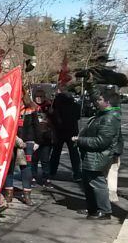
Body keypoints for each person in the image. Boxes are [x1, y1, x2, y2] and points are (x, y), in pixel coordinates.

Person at [73, 89, 122, 220]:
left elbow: (102, 142)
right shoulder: (102, 114)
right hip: (90, 155)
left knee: (96, 182)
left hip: (98, 155)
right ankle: (93, 208)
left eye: (100, 100)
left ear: (108, 102)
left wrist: (80, 140)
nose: (97, 102)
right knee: (88, 182)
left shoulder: (110, 118)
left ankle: (105, 211)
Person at [49, 88, 82, 181]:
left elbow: (52, 117)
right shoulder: (76, 106)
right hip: (72, 131)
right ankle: (77, 173)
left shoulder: (57, 105)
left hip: (59, 131)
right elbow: (78, 116)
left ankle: (52, 171)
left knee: (56, 152)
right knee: (74, 153)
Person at [30, 89, 54, 188]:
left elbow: (55, 121)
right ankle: (33, 177)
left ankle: (46, 178)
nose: (39, 98)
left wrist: (52, 113)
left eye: (41, 96)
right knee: (33, 160)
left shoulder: (49, 106)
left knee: (45, 160)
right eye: (37, 96)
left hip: (46, 137)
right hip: (35, 137)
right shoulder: (31, 107)